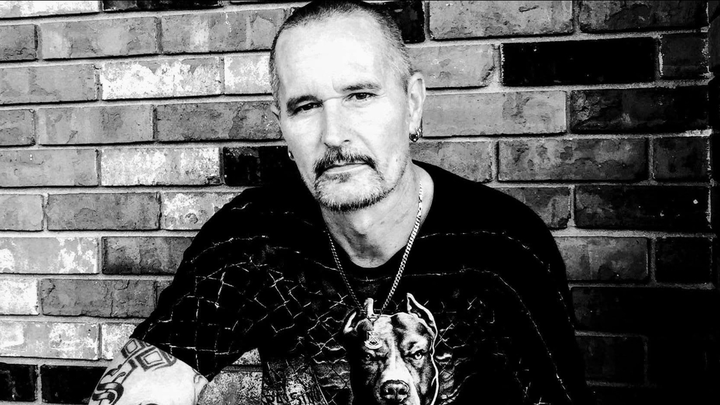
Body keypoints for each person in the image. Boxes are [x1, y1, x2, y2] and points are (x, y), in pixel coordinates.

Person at [90, 1, 592, 404]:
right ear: (283, 129)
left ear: (413, 104)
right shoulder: (253, 239)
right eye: (306, 106)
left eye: (360, 96)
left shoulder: (502, 250)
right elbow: (150, 378)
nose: (333, 135)